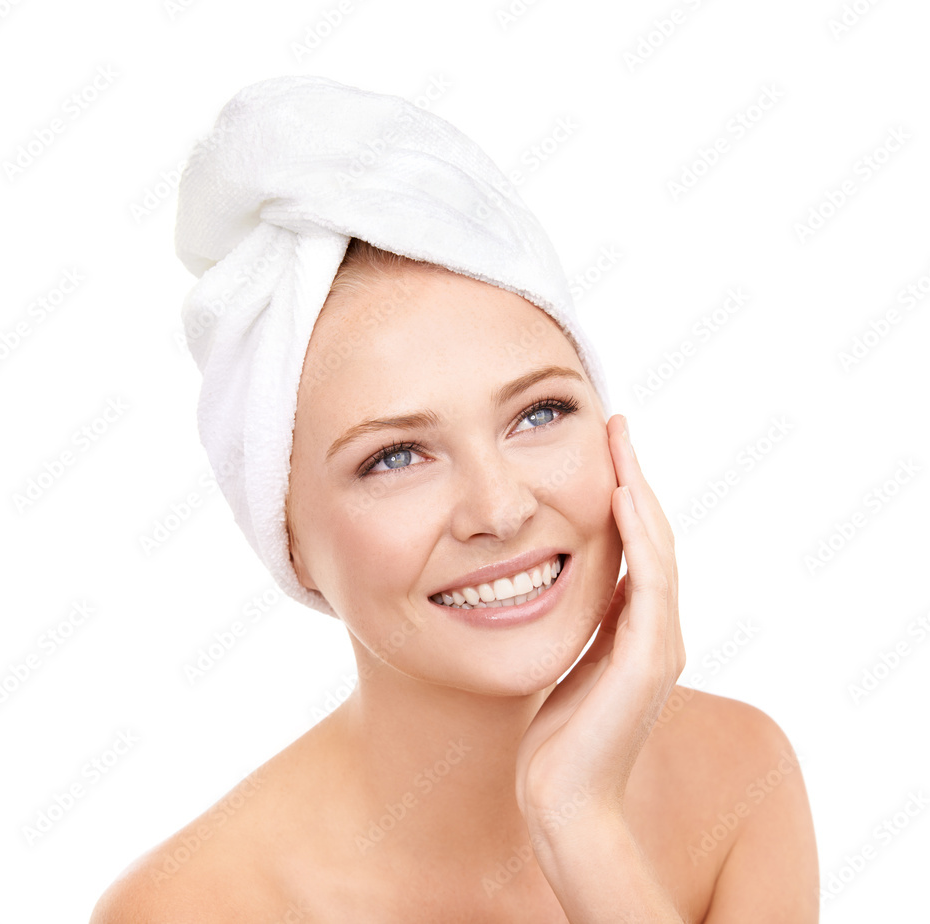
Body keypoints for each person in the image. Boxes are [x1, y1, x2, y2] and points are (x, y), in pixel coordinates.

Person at [91, 78, 818, 923]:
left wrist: (582, 828)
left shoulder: (738, 778)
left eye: (539, 413)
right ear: (287, 540)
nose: (500, 509)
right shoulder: (192, 908)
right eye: (395, 456)